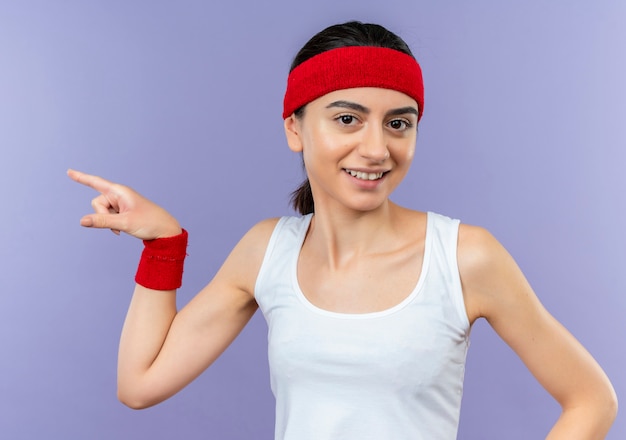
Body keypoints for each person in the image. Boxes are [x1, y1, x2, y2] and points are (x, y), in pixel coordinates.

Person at [69, 21, 617, 440]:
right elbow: (139, 386)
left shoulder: (464, 256)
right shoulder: (267, 250)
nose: (377, 148)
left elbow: (592, 399)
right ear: (295, 129)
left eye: (398, 123)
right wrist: (164, 246)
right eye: (347, 118)